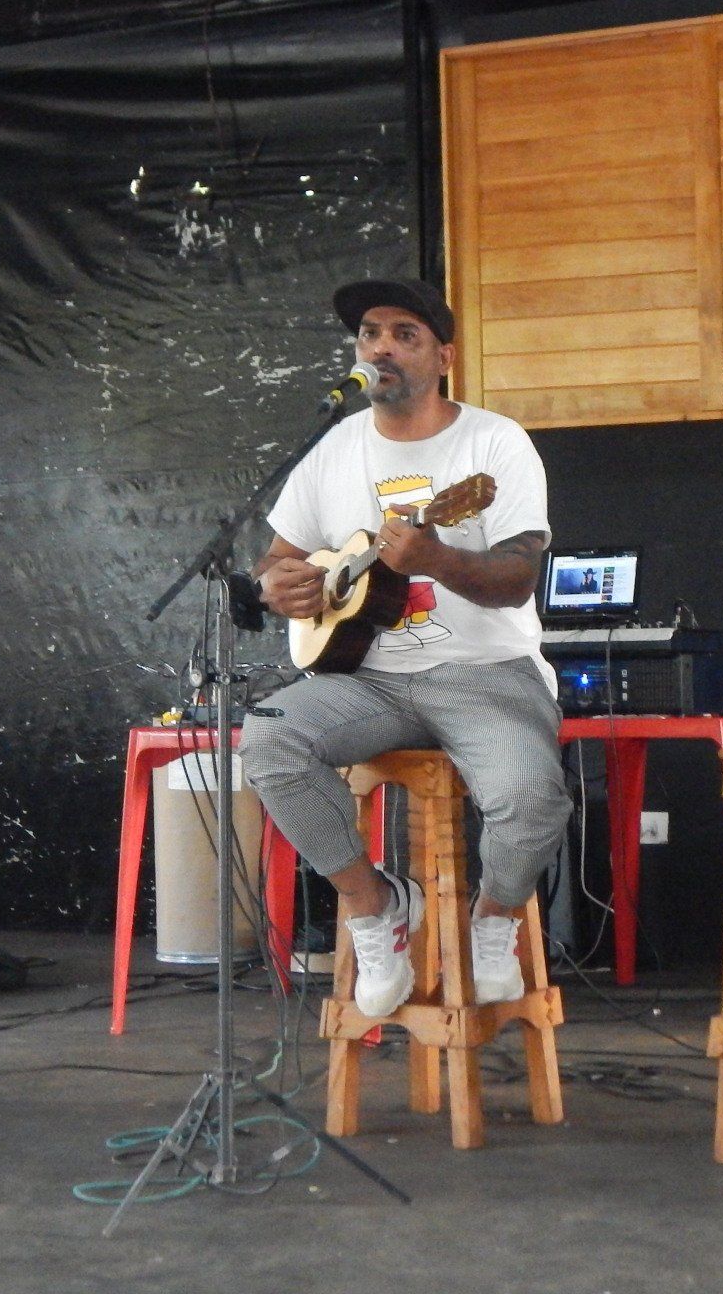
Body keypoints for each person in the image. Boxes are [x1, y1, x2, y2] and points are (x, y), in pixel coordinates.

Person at [243, 277, 570, 1017]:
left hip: (487, 673)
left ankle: (494, 920)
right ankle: (375, 905)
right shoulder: (332, 449)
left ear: (444, 357)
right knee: (267, 740)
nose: (381, 347)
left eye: (404, 334)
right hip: (368, 677)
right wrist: (276, 586)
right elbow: (277, 557)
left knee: (530, 795)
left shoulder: (493, 444)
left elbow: (518, 577)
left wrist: (438, 559)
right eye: (369, 333)